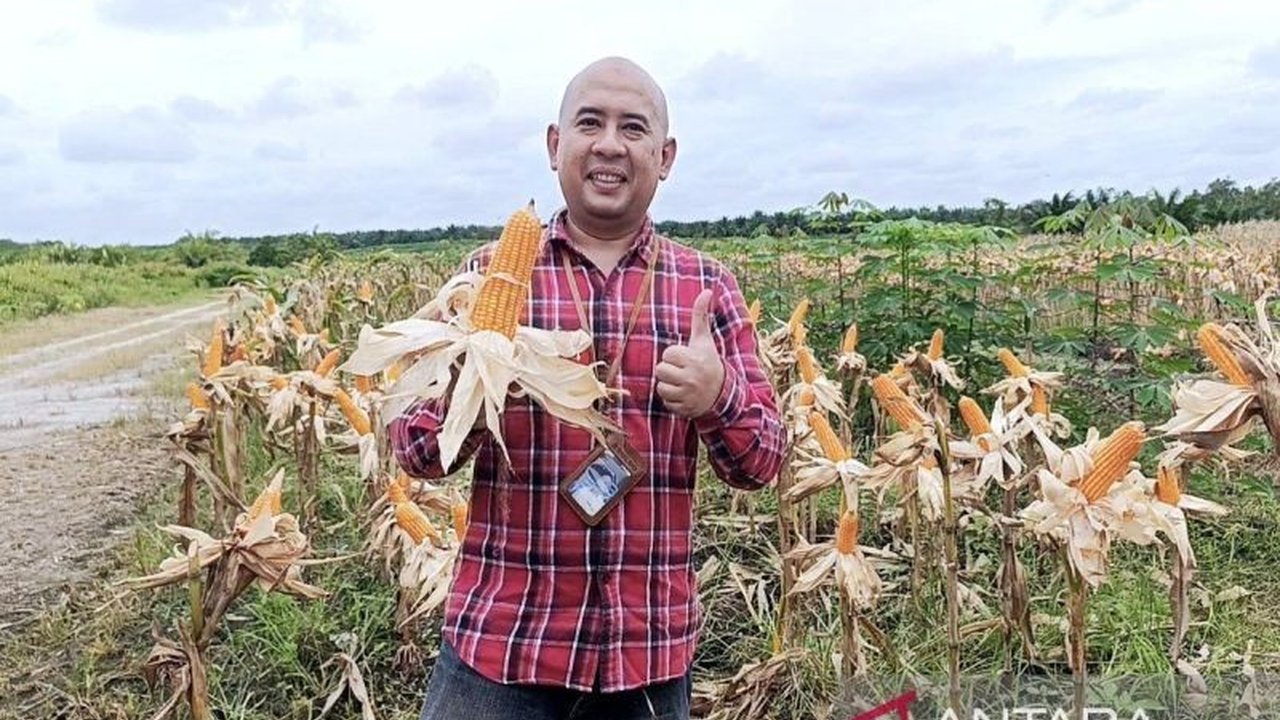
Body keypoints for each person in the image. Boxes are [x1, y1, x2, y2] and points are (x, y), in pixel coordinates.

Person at [392, 56, 786, 720]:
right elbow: (416, 455)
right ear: (555, 145)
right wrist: (464, 384)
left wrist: (718, 397)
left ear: (665, 157)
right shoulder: (485, 280)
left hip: (646, 658)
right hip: (501, 650)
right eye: (590, 123)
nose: (610, 144)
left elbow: (764, 462)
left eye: (633, 128)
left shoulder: (706, 288)